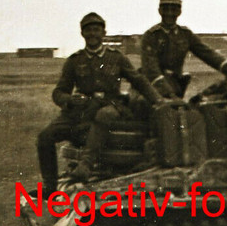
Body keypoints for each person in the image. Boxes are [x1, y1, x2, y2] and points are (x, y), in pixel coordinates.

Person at [37, 12, 163, 191]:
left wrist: (158, 100)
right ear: (82, 34)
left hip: (110, 104)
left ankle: (86, 166)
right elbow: (58, 92)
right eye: (88, 30)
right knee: (45, 137)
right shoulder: (75, 61)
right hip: (81, 109)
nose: (92, 34)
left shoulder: (116, 57)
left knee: (103, 115)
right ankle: (49, 187)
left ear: (103, 33)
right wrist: (69, 100)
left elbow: (138, 80)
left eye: (97, 30)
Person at [140, 0, 227, 99]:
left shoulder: (185, 34)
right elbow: (151, 69)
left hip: (175, 87)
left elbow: (207, 53)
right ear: (160, 11)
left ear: (179, 12)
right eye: (166, 9)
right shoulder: (150, 36)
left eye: (173, 9)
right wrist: (167, 92)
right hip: (151, 89)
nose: (169, 13)